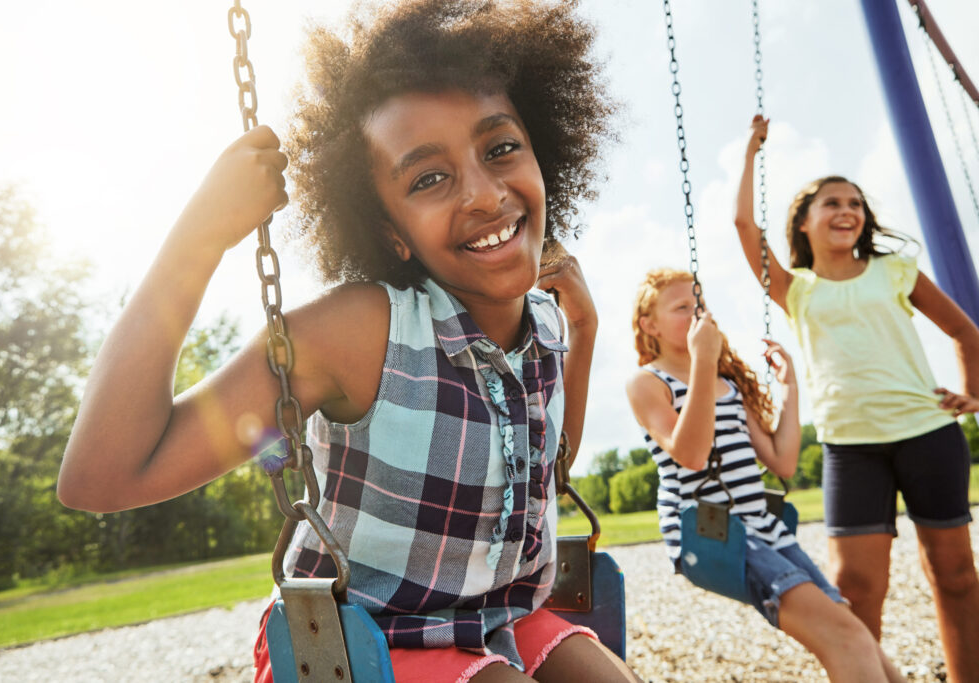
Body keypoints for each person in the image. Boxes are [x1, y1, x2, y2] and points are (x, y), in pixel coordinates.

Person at [57, 1, 639, 682]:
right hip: (358, 640)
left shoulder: (546, 326)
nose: (483, 194)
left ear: (543, 153)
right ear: (392, 233)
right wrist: (200, 238)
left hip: (492, 616)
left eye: (501, 147)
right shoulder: (364, 332)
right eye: (428, 177)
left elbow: (543, 479)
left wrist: (587, 330)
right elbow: (101, 475)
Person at [735, 114, 979, 682]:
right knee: (858, 588)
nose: (847, 211)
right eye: (832, 204)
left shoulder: (895, 270)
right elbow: (743, 224)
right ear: (803, 222)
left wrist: (972, 394)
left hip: (928, 434)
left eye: (855, 204)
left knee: (956, 575)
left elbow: (966, 332)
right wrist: (751, 150)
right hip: (852, 449)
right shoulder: (796, 289)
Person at [624, 268, 905, 682]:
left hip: (763, 528)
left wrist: (789, 390)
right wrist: (703, 358)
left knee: (853, 630)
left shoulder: (725, 385)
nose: (698, 313)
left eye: (700, 303)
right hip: (712, 533)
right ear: (650, 325)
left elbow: (782, 461)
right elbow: (692, 454)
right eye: (683, 307)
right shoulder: (648, 382)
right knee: (843, 636)